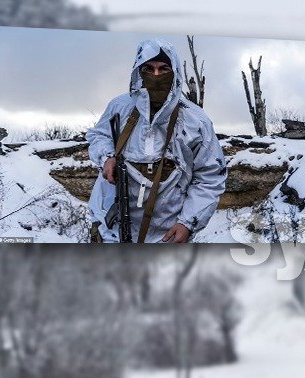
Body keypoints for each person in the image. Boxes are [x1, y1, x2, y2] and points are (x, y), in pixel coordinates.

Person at [86, 39, 226, 243]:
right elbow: (99, 135)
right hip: (111, 229)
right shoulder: (119, 107)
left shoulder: (195, 120)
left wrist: (188, 223)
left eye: (164, 69)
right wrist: (106, 157)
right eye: (149, 69)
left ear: (175, 71)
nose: (156, 76)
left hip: (166, 236)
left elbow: (210, 176)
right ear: (138, 71)